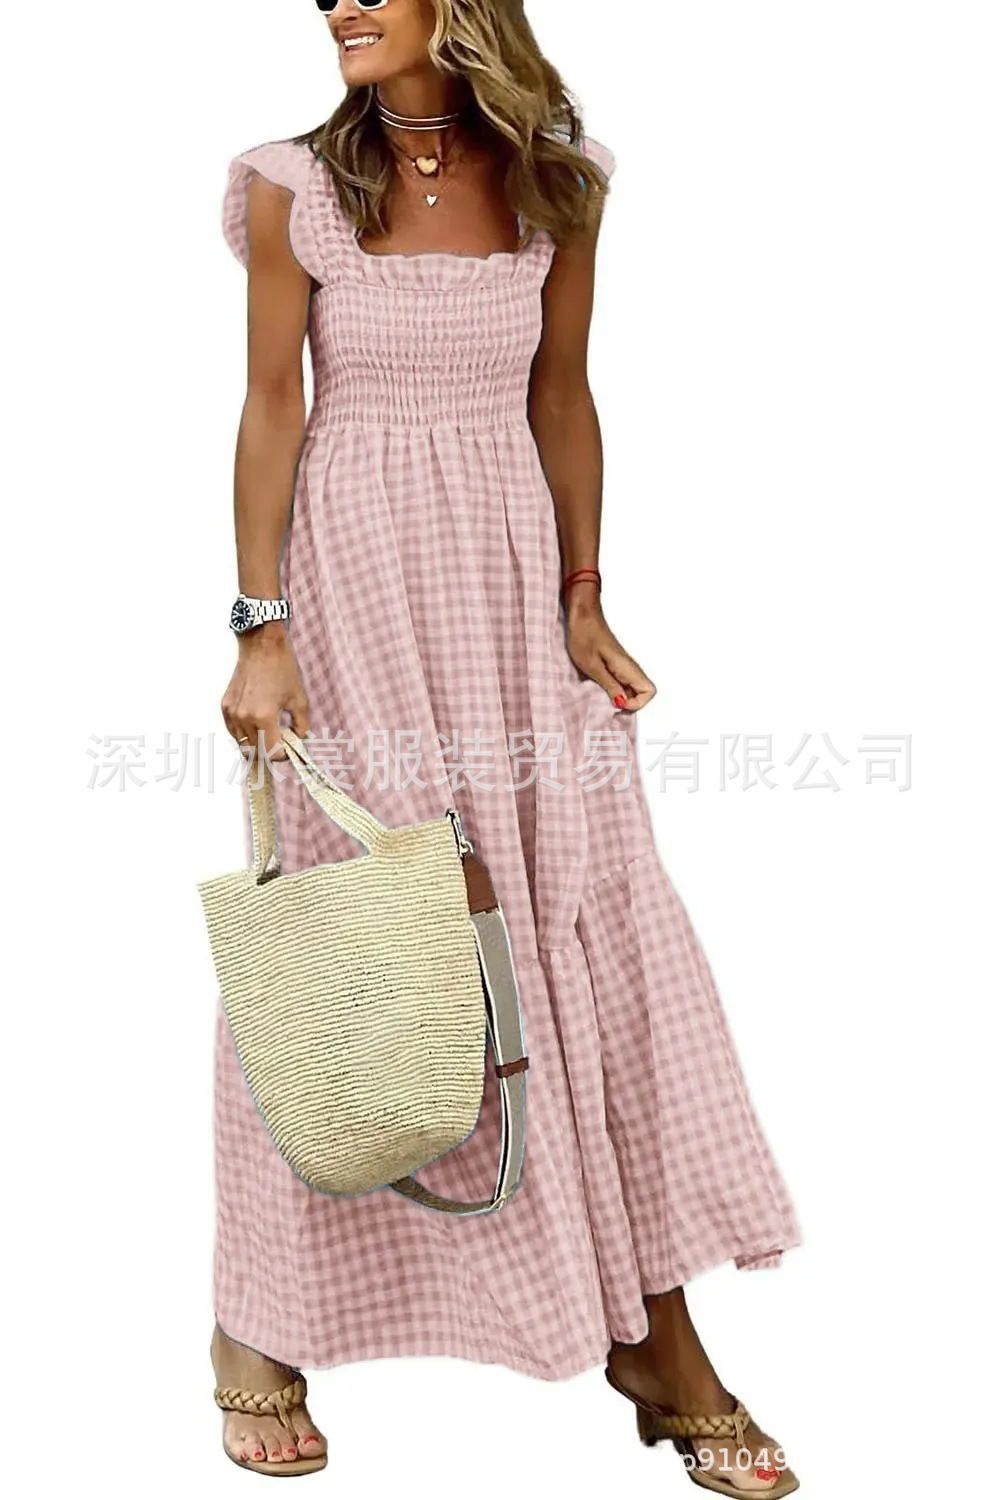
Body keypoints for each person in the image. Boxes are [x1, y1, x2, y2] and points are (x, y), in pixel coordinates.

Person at [210, 1, 801, 1492]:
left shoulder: (560, 182)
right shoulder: (293, 185)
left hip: (511, 588)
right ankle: (257, 1325)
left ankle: (651, 1336)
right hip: (352, 586)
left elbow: (562, 394)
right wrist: (260, 626)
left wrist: (587, 595)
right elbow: (273, 406)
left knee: (572, 914)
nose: (339, 3)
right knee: (362, 939)